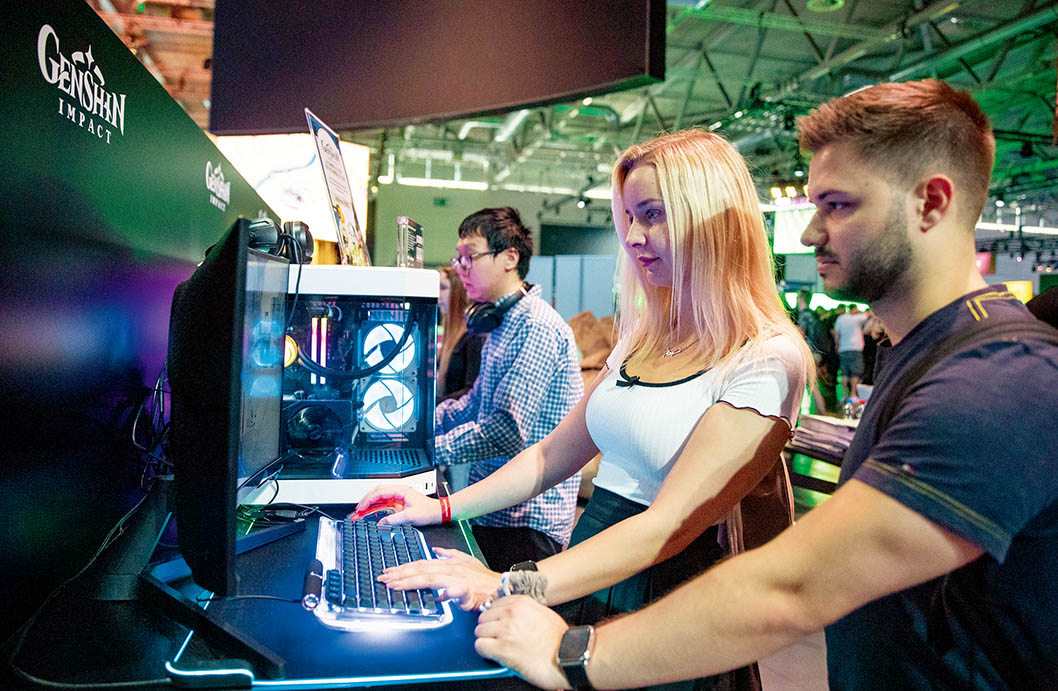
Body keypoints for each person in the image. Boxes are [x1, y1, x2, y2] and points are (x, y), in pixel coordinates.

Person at [469, 79, 1058, 691]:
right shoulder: (932, 353)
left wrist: (572, 652)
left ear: (931, 203)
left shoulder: (997, 380)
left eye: (838, 206)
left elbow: (793, 586)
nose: (809, 234)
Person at [360, 129, 811, 690]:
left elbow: (667, 527)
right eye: (630, 218)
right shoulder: (645, 338)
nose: (634, 237)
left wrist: (508, 583)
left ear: (712, 218)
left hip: (667, 599)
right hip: (589, 566)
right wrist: (441, 508)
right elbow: (550, 454)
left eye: (653, 215)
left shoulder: (766, 358)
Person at [432, 207, 583, 570]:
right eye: (458, 259)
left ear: (510, 258)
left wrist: (432, 450)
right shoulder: (503, 323)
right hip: (498, 511)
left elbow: (506, 430)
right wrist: (423, 425)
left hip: (526, 522)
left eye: (470, 257)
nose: (461, 268)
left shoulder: (536, 326)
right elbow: (475, 404)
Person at [436, 265, 484, 402]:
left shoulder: (472, 337)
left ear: (459, 292)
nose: (438, 294)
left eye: (443, 288)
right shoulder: (451, 338)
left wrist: (435, 404)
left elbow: (471, 390)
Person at [795, 289, 828, 413]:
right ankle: (821, 413)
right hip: (816, 353)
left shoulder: (804, 316)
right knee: (813, 385)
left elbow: (801, 334)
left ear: (801, 299)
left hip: (808, 354)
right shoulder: (813, 315)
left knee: (810, 386)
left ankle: (821, 413)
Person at [832, 303, 869, 400]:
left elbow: (836, 333)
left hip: (843, 348)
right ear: (854, 309)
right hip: (855, 348)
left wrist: (837, 345)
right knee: (855, 372)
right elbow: (869, 314)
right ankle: (853, 394)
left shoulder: (840, 318)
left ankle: (844, 394)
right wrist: (859, 312)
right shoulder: (857, 318)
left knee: (844, 373)